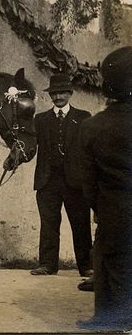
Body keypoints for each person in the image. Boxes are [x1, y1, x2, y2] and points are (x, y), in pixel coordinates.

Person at [76, 46, 132, 331]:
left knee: (111, 264)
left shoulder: (92, 126)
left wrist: (101, 208)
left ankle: (109, 320)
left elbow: (88, 183)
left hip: (114, 212)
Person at [29, 73, 93, 279]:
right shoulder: (40, 119)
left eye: (62, 93)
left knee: (80, 223)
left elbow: (90, 149)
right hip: (47, 181)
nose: (58, 97)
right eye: (54, 93)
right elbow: (30, 146)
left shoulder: (83, 117)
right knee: (48, 223)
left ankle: (86, 267)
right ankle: (47, 265)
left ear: (70, 94)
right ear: (50, 96)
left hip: (75, 182)